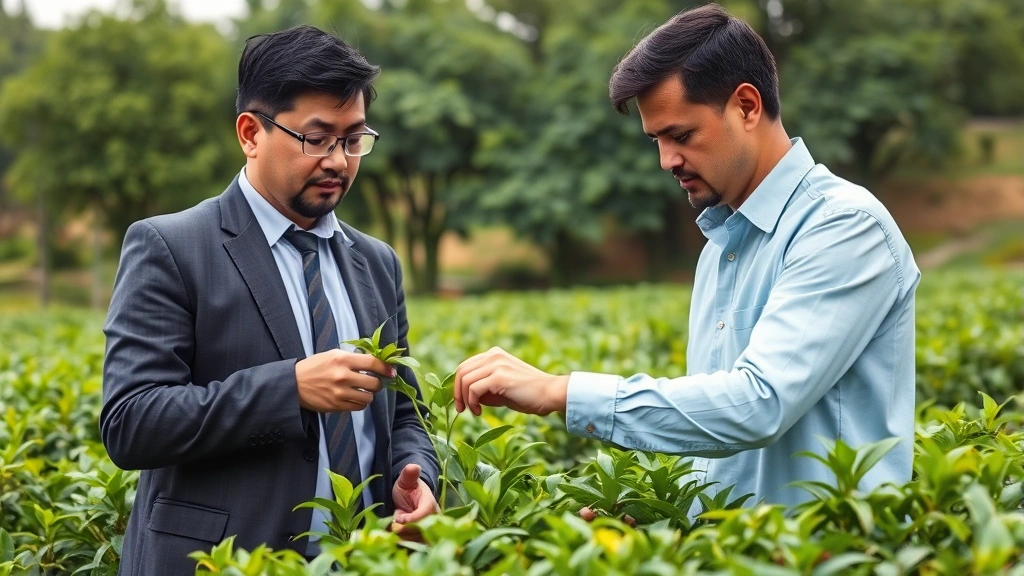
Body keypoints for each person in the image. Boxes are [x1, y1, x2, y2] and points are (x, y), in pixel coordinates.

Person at [454, 4, 919, 511]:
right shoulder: (720, 250)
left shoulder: (842, 227)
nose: (666, 161)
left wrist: (561, 392)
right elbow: (717, 436)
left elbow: (759, 405)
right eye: (657, 140)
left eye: (681, 135)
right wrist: (661, 515)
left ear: (746, 106)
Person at [100, 25, 439, 574]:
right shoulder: (171, 246)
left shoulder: (377, 261)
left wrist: (418, 476)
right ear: (251, 133)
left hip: (366, 561)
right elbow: (132, 422)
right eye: (316, 137)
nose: (338, 160)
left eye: (353, 140)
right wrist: (290, 388)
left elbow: (404, 412)